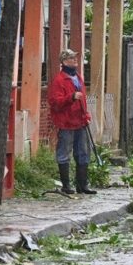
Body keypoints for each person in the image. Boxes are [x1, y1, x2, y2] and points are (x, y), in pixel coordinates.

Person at [47, 49, 97, 195]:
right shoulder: (59, 81)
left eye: (75, 57)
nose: (75, 60)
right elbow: (55, 102)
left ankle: (82, 185)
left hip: (80, 121)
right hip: (66, 123)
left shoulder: (78, 78)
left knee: (83, 152)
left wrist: (85, 114)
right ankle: (66, 185)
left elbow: (83, 100)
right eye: (71, 58)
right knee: (64, 153)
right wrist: (71, 97)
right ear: (63, 62)